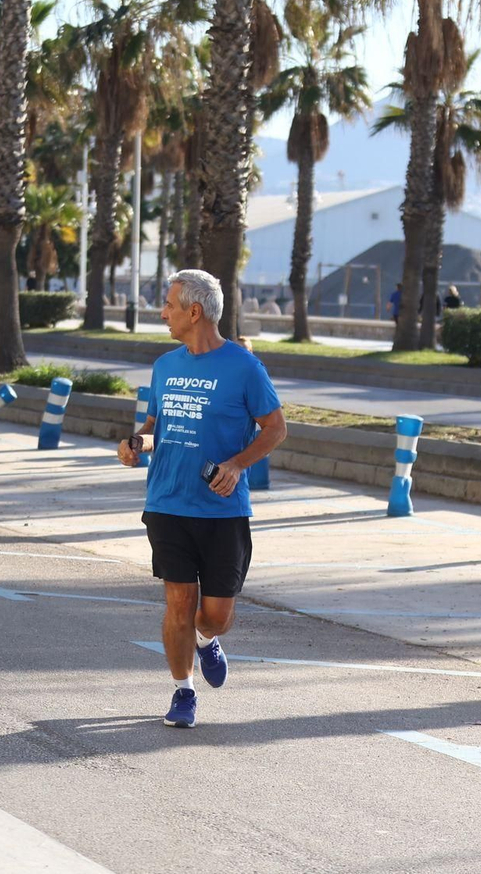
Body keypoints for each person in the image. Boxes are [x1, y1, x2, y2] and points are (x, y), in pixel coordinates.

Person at [119, 269, 288, 728]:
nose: (163, 313)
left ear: (194, 312)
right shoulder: (165, 366)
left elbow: (276, 428)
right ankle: (182, 690)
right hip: (167, 503)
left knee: (215, 615)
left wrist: (236, 465)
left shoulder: (244, 367)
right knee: (177, 601)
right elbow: (158, 430)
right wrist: (137, 443)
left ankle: (206, 638)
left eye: (170, 305)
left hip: (222, 510)